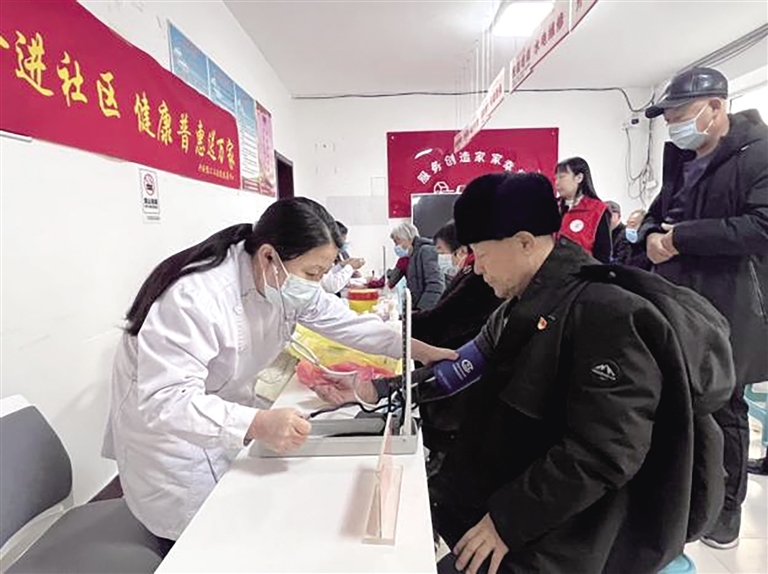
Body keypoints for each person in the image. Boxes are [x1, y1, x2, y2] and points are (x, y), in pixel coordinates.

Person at [101, 198, 455, 547]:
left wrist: (420, 350)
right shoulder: (196, 298)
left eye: (322, 274)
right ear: (269, 256)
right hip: (171, 440)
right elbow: (165, 401)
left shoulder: (282, 281)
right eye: (312, 273)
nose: (315, 284)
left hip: (222, 410)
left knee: (235, 518)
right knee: (196, 539)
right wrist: (257, 423)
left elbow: (352, 326)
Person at [428, 172, 733, 574]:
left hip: (592, 524)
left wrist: (507, 521)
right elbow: (465, 364)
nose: (476, 268)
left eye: (481, 254)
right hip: (540, 496)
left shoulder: (606, 313)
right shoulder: (522, 306)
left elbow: (604, 451)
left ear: (524, 242)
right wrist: (380, 389)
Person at [640, 66, 768, 549]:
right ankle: (687, 498)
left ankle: (726, 511)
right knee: (679, 401)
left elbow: (761, 228)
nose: (674, 124)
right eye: (669, 117)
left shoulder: (759, 154)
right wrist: (649, 236)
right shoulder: (679, 158)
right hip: (678, 299)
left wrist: (681, 238)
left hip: (730, 303)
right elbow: (658, 211)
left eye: (681, 114)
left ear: (716, 107)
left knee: (725, 405)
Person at [412, 221, 503, 471]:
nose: (441, 258)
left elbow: (442, 321)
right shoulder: (470, 271)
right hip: (453, 358)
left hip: (461, 365)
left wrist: (401, 327)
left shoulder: (480, 279)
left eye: (442, 251)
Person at [555, 157, 612, 263]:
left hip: (582, 270)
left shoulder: (598, 210)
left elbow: (602, 255)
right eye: (556, 178)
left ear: (579, 178)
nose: (557, 183)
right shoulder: (552, 207)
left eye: (562, 177)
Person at [390, 222, 445, 311]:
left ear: (408, 238)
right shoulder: (412, 255)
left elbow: (436, 285)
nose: (396, 247)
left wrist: (421, 311)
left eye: (397, 242)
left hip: (427, 310)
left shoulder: (426, 251)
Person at [320, 220, 365, 294]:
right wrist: (350, 267)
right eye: (341, 242)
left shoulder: (342, 254)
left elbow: (330, 275)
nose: (343, 245)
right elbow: (331, 285)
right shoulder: (322, 256)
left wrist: (342, 265)